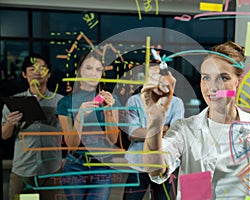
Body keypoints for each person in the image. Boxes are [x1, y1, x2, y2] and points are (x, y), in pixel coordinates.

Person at [141, 41, 250, 199]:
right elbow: (155, 169)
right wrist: (155, 120)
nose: (213, 87)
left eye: (223, 78)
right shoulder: (185, 129)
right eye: (206, 78)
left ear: (238, 81)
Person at [56, 50, 120, 200]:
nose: (94, 73)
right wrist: (80, 116)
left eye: (98, 69)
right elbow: (72, 145)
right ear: (79, 71)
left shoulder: (111, 99)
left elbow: (113, 140)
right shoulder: (65, 103)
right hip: (75, 165)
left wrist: (109, 111)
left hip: (102, 166)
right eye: (89, 68)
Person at [1, 53, 63, 200]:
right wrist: (10, 123)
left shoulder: (61, 102)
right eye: (32, 68)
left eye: (42, 68)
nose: (37, 71)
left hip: (51, 170)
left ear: (48, 74)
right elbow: (4, 135)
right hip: (23, 170)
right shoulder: (14, 102)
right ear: (24, 74)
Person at [123, 70, 185, 200]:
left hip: (166, 164)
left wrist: (148, 129)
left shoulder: (177, 102)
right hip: (138, 165)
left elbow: (174, 135)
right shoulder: (134, 101)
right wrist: (163, 128)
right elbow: (133, 133)